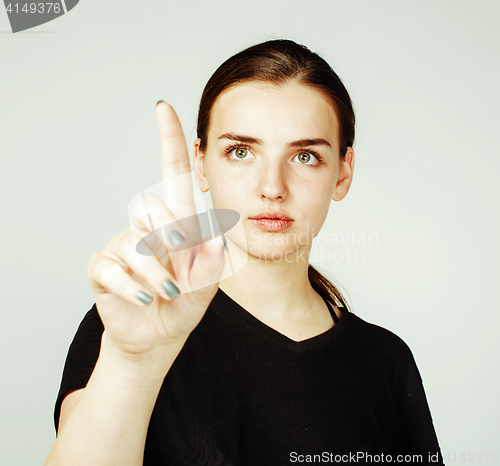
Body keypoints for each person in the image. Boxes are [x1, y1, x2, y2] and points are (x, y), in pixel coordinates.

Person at [44, 39, 444, 465]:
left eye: (305, 155)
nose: (272, 187)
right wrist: (130, 365)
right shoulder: (130, 324)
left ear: (343, 171)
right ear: (200, 162)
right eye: (241, 152)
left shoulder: (385, 362)